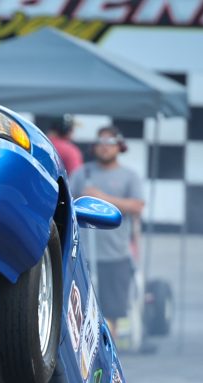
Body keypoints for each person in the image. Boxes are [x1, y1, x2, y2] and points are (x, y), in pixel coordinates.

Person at [68, 125, 145, 338]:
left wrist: (102, 198)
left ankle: (111, 347)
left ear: (119, 146)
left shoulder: (129, 176)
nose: (105, 147)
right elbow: (67, 202)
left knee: (112, 311)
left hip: (115, 254)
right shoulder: (82, 173)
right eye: (100, 142)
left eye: (110, 143)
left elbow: (137, 206)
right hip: (83, 254)